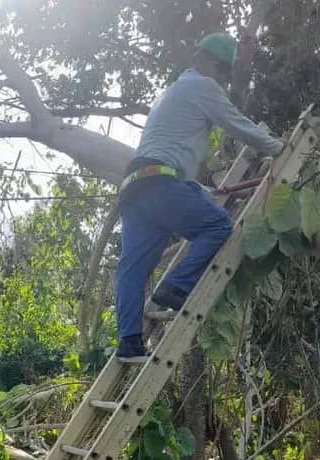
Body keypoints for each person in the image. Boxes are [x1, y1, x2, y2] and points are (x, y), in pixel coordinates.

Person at [115, 33, 284, 358]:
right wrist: (280, 148)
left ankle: (129, 342)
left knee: (132, 268)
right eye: (221, 70)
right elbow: (238, 125)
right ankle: (175, 287)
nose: (220, 77)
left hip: (135, 187)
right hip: (160, 184)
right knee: (218, 227)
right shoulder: (201, 86)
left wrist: (197, 188)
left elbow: (171, 152)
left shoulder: (172, 93)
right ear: (208, 61)